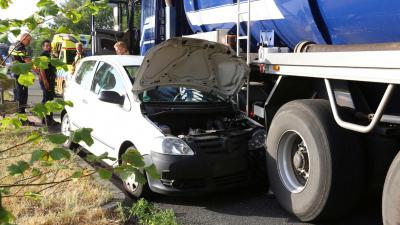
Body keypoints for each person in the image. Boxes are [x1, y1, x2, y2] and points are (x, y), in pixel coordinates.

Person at [9, 33, 32, 115]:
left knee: (17, 93)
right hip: (20, 74)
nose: (29, 42)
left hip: (14, 72)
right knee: (22, 95)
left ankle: (17, 112)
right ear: (24, 38)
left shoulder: (13, 45)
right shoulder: (21, 47)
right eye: (28, 40)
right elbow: (27, 61)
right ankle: (21, 114)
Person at [38, 40, 57, 126]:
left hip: (49, 80)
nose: (49, 47)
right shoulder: (43, 55)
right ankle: (48, 120)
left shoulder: (48, 55)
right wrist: (45, 80)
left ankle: (45, 119)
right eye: (47, 46)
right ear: (43, 47)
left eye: (50, 46)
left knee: (47, 99)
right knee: (48, 100)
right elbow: (42, 68)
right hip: (47, 80)